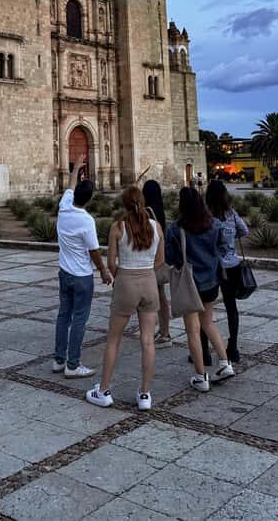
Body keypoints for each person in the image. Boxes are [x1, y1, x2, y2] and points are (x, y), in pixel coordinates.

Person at [86, 186, 164, 410]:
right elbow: (161, 259)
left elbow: (111, 263)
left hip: (126, 283)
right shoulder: (155, 226)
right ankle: (145, 395)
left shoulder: (118, 227)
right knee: (148, 340)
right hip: (149, 282)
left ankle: (103, 390)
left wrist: (121, 275)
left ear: (124, 204)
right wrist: (147, 270)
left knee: (114, 339)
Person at [165, 187, 234, 392]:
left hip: (189, 283)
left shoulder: (176, 228)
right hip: (211, 282)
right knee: (208, 322)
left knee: (192, 330)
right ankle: (224, 363)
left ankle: (200, 375)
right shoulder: (214, 224)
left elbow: (169, 257)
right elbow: (224, 247)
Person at [53, 157, 112, 378]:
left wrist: (77, 167)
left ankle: (59, 360)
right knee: (79, 318)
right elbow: (94, 252)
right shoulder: (86, 220)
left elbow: (69, 186)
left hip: (64, 273)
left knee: (63, 315)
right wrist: (104, 271)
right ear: (89, 199)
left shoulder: (64, 206)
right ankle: (73, 364)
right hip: (81, 276)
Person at [204, 179, 248, 363]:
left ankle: (204, 352)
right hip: (232, 266)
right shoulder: (231, 214)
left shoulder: (206, 216)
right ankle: (233, 347)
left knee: (205, 310)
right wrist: (230, 239)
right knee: (232, 307)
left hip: (213, 268)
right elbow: (244, 231)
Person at [142, 179, 172, 347]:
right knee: (160, 297)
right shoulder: (159, 210)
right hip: (158, 259)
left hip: (148, 261)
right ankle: (164, 331)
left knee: (150, 300)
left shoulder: (146, 213)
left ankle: (163, 334)